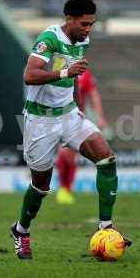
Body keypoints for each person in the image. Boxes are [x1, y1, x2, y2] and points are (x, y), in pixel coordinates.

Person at [11, 0, 131, 260]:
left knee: (107, 160)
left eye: (92, 24)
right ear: (69, 20)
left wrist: (76, 105)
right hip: (40, 121)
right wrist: (66, 72)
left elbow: (75, 76)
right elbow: (29, 76)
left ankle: (106, 227)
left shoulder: (82, 41)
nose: (89, 29)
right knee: (41, 187)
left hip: (69, 115)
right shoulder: (49, 39)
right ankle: (21, 230)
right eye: (85, 24)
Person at [55, 68, 108, 204]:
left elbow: (93, 95)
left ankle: (65, 189)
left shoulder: (84, 73)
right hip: (55, 117)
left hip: (74, 119)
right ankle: (64, 189)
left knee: (68, 155)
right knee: (63, 155)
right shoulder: (58, 69)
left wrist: (100, 117)